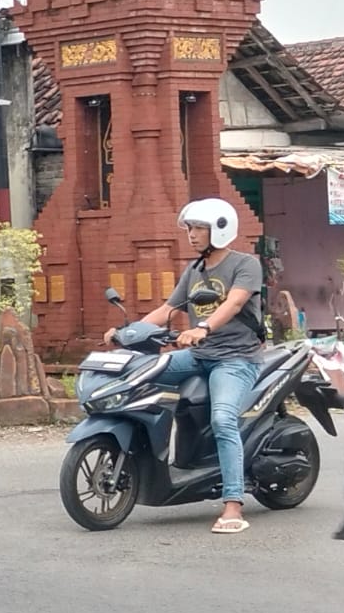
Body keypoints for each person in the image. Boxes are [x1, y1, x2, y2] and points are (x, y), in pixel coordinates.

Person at [105, 198, 264, 535]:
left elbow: (235, 303)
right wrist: (127, 333)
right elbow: (167, 309)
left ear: (219, 230)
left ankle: (233, 504)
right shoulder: (195, 270)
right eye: (190, 228)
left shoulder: (246, 264)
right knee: (136, 377)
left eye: (199, 228)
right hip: (197, 355)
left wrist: (202, 328)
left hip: (235, 359)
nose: (192, 235)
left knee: (223, 420)